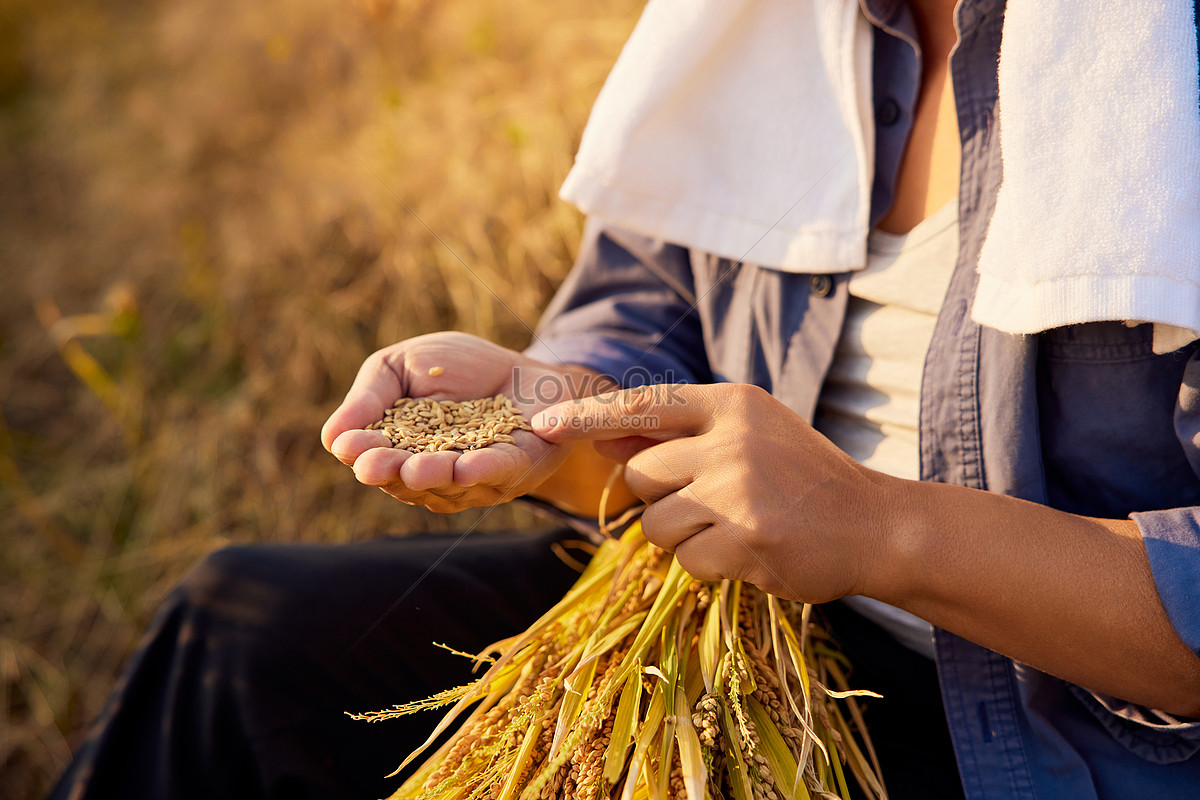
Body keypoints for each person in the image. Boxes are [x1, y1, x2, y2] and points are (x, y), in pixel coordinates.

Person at [49, 0, 1200, 799]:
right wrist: (549, 417)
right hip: (752, 631)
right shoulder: (774, 32)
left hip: (1063, 736)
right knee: (243, 635)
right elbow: (641, 311)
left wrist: (878, 527)